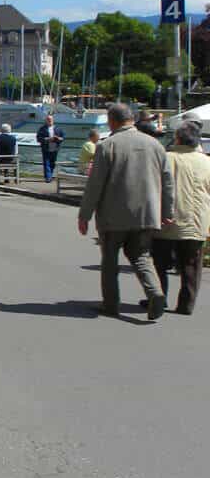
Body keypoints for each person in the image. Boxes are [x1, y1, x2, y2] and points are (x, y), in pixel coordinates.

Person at [77, 103, 174, 319]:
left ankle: (111, 304)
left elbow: (95, 185)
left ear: (112, 121)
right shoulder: (155, 145)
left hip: (114, 215)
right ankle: (155, 292)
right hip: (147, 213)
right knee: (141, 256)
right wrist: (167, 210)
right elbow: (168, 182)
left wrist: (85, 215)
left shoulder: (107, 146)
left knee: (110, 259)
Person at [151, 121, 210, 316]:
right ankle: (186, 304)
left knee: (159, 262)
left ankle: (159, 297)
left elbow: (154, 187)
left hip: (166, 220)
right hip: (196, 221)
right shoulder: (206, 161)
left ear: (177, 138)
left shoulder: (166, 158)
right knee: (191, 265)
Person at [37, 114, 65, 182]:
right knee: (46, 163)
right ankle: (48, 178)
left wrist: (58, 138)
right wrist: (47, 139)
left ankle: (50, 175)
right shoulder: (42, 129)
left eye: (51, 119)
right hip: (46, 148)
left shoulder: (58, 128)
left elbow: (63, 137)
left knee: (52, 163)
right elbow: (38, 138)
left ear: (53, 120)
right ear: (46, 120)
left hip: (55, 148)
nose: (50, 121)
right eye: (48, 119)